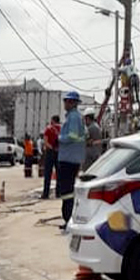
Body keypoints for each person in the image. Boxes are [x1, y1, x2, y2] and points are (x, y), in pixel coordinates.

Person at [56, 92, 85, 228]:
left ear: (74, 103)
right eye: (65, 101)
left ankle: (68, 219)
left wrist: (59, 138)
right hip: (70, 157)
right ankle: (68, 218)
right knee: (67, 190)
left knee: (66, 191)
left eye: (68, 101)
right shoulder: (75, 117)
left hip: (68, 159)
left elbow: (72, 136)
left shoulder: (73, 117)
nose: (65, 103)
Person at [41, 115, 60, 198]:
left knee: (48, 173)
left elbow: (45, 141)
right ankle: (58, 193)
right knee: (59, 174)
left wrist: (51, 147)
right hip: (59, 152)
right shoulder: (62, 129)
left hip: (50, 153)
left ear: (52, 120)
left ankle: (46, 194)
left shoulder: (48, 129)